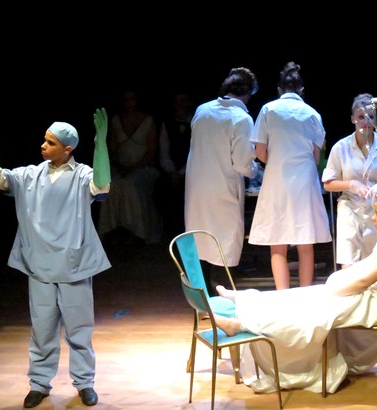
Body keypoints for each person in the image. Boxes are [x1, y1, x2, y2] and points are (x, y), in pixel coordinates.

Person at [0, 95, 112, 408]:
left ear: (68, 149)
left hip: (73, 264)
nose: (43, 145)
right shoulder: (29, 175)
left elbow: (103, 184)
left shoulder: (82, 175)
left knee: (79, 328)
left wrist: (101, 145)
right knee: (42, 328)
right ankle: (40, 383)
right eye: (44, 140)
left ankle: (84, 382)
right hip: (40, 265)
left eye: (51, 142)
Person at [210, 194, 377, 394]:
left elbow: (366, 280)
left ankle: (239, 325)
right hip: (359, 295)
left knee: (304, 310)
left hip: (369, 305)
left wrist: (334, 289)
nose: (373, 218)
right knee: (297, 296)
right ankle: (246, 298)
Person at [248, 61, 332, 289]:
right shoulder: (312, 114)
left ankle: (283, 297)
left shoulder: (268, 110)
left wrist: (276, 161)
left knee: (278, 243)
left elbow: (260, 152)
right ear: (301, 90)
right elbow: (316, 156)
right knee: (306, 243)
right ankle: (303, 296)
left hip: (277, 178)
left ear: (279, 89)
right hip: (305, 179)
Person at [185, 67, 260, 296]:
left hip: (197, 188)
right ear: (247, 94)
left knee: (199, 238)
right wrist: (256, 169)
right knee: (223, 241)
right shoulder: (241, 118)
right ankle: (223, 301)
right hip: (222, 188)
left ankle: (201, 301)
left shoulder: (202, 110)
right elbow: (241, 164)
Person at [322, 93, 377, 269]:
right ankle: (349, 296)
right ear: (353, 119)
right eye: (361, 117)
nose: (366, 121)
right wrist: (351, 184)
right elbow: (328, 183)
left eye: (371, 117)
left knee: (375, 262)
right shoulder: (341, 147)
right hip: (350, 208)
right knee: (348, 261)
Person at [98, 89, 162, 246]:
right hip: (121, 166)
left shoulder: (148, 120)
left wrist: (133, 167)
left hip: (143, 167)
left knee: (130, 185)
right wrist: (120, 166)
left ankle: (136, 231)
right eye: (126, 99)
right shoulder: (115, 121)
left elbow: (150, 152)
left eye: (132, 99)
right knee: (109, 185)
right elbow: (112, 150)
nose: (129, 103)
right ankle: (111, 229)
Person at [157, 92, 195, 240]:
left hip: (191, 169)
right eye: (177, 102)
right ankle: (170, 232)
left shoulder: (196, 123)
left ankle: (187, 231)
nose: (181, 106)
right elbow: (164, 151)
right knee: (163, 189)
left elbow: (197, 150)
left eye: (183, 101)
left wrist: (181, 173)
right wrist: (172, 171)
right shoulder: (167, 124)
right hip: (172, 169)